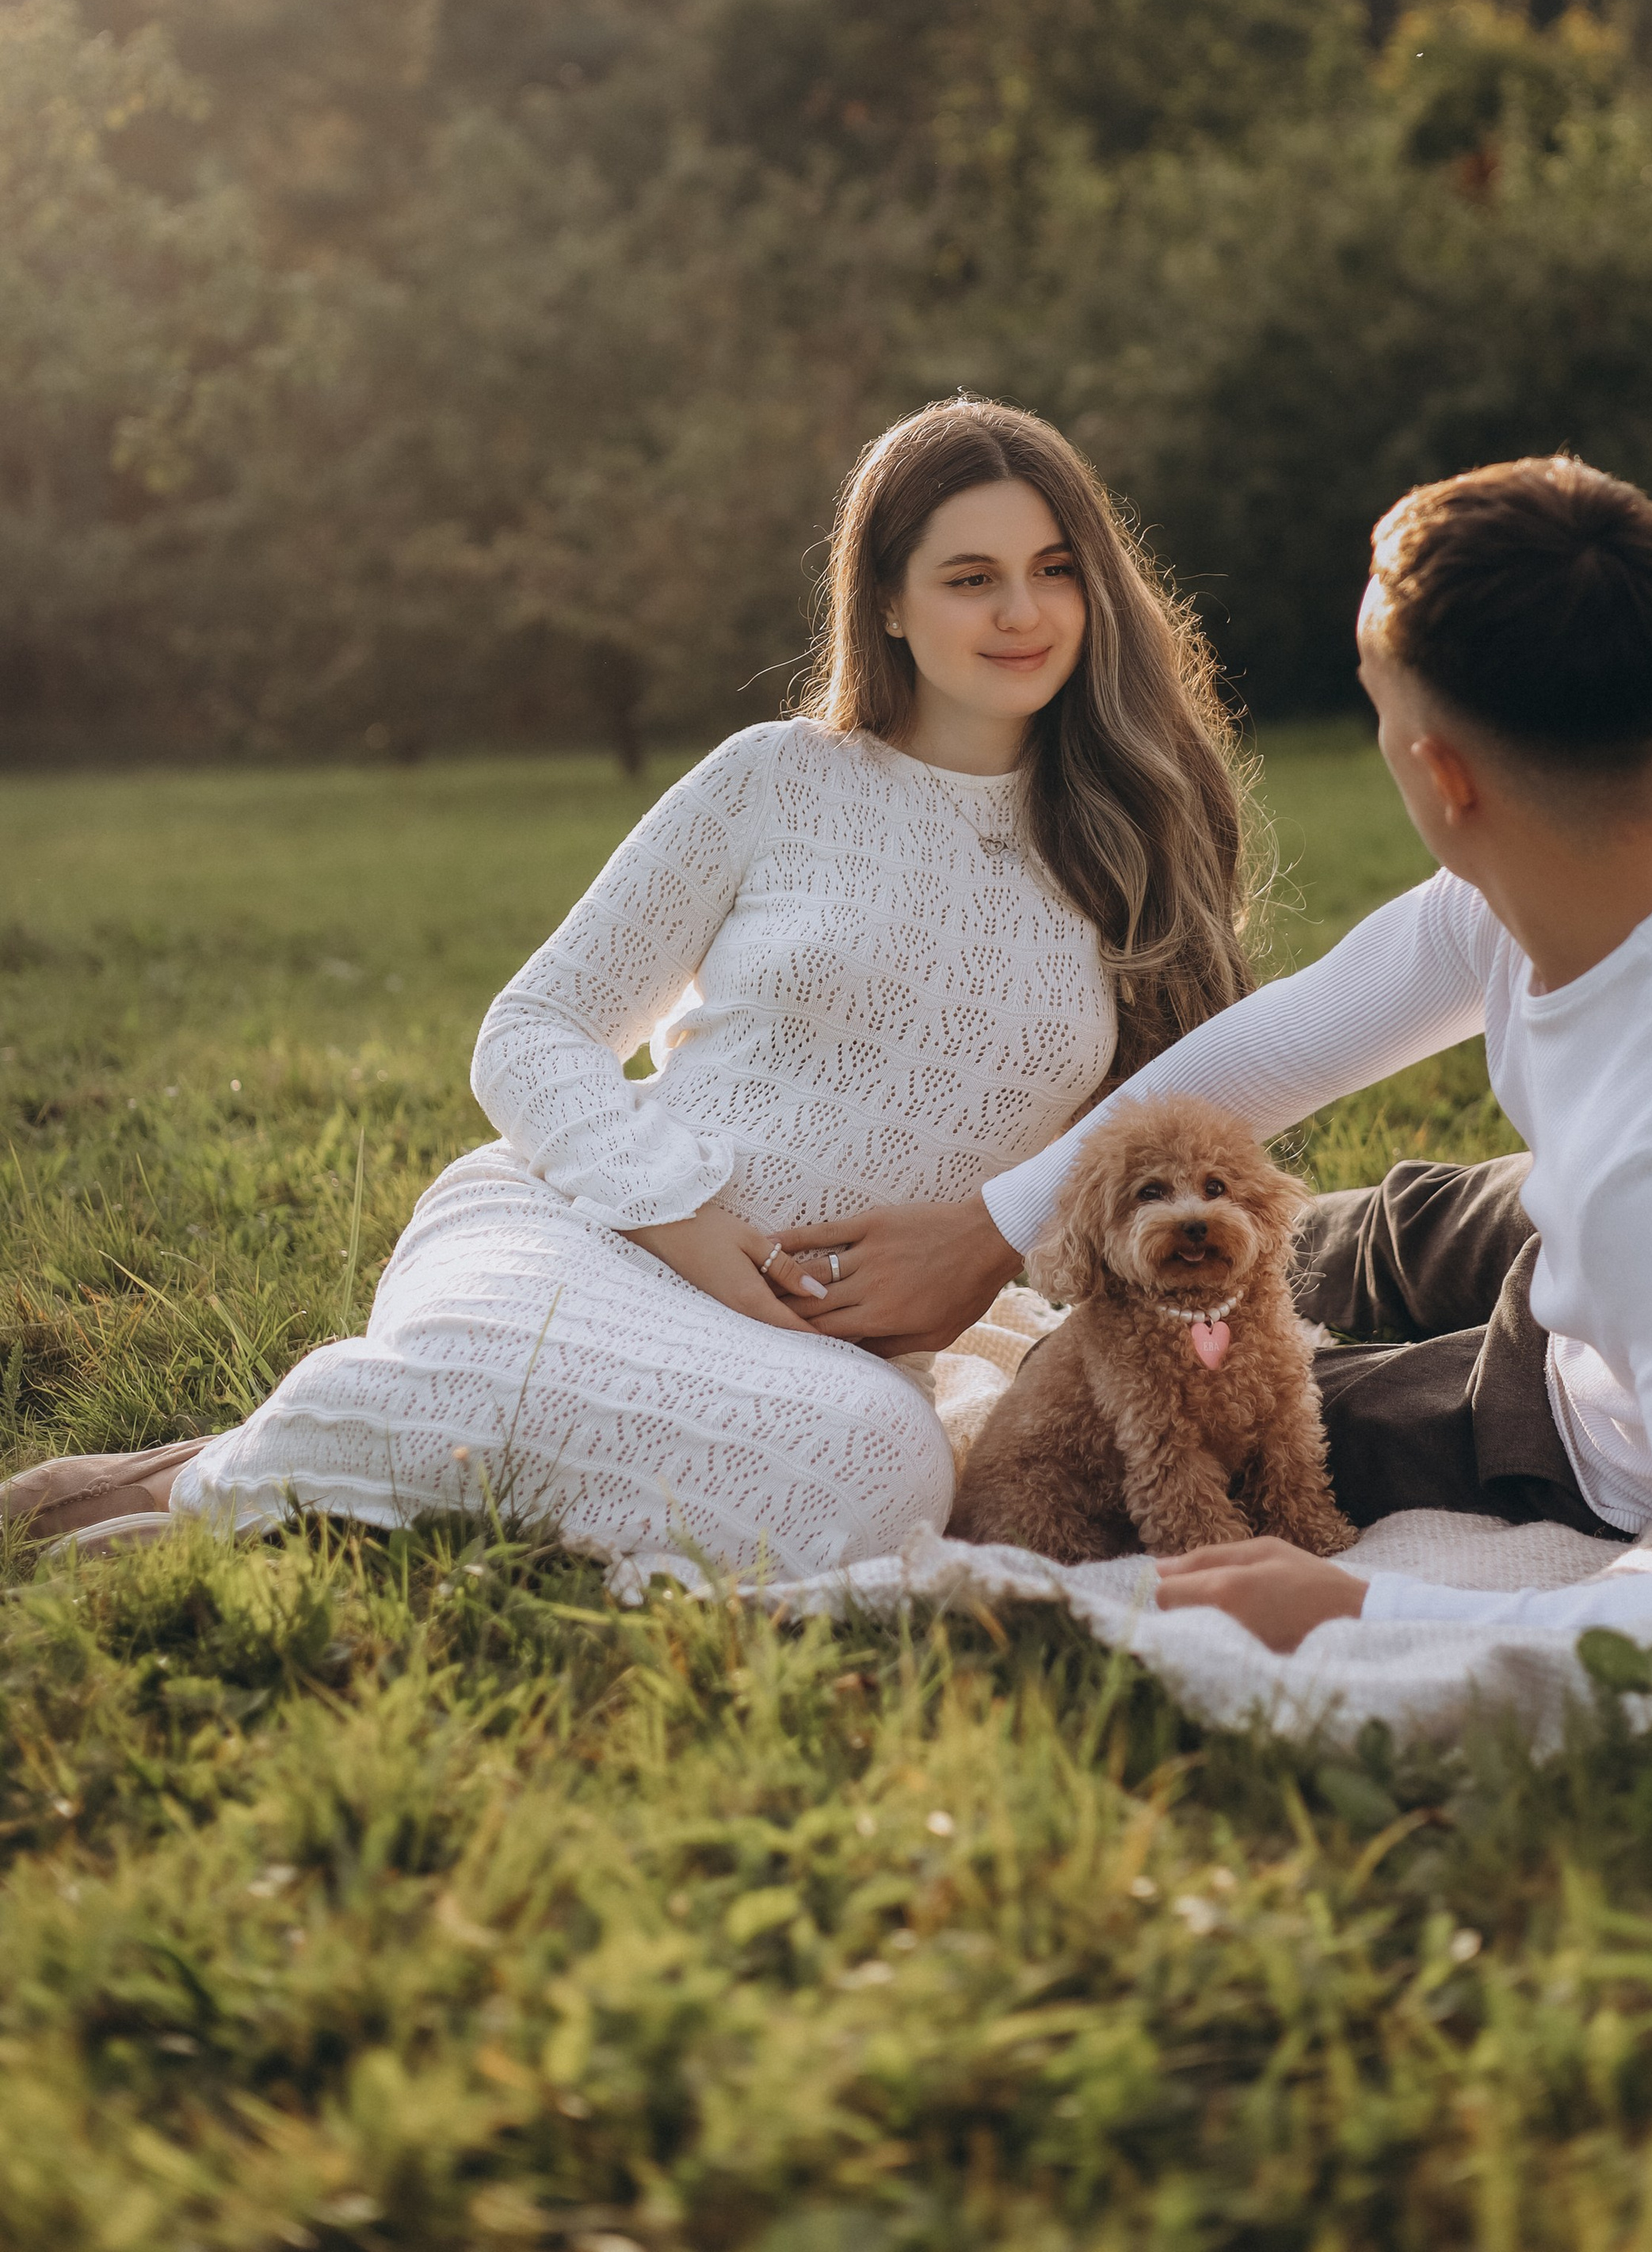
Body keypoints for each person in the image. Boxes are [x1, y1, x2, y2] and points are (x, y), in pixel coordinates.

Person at [2, 399, 1256, 1581]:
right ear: (885, 600)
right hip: (601, 1232)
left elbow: (1168, 1134)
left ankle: (336, 1461)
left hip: (832, 1354)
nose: (1023, 611)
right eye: (970, 578)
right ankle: (228, 1485)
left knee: (881, 1477)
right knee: (494, 1351)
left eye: (1054, 569)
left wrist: (991, 1248)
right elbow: (534, 1029)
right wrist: (689, 1226)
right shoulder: (775, 779)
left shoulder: (1132, 842)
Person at [797, 456, 1652, 1649]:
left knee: (1252, 1395)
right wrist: (995, 1225)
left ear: (1442, 772)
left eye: (1378, 705)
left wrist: (1365, 1602)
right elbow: (1295, 1036)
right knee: (1338, 1231)